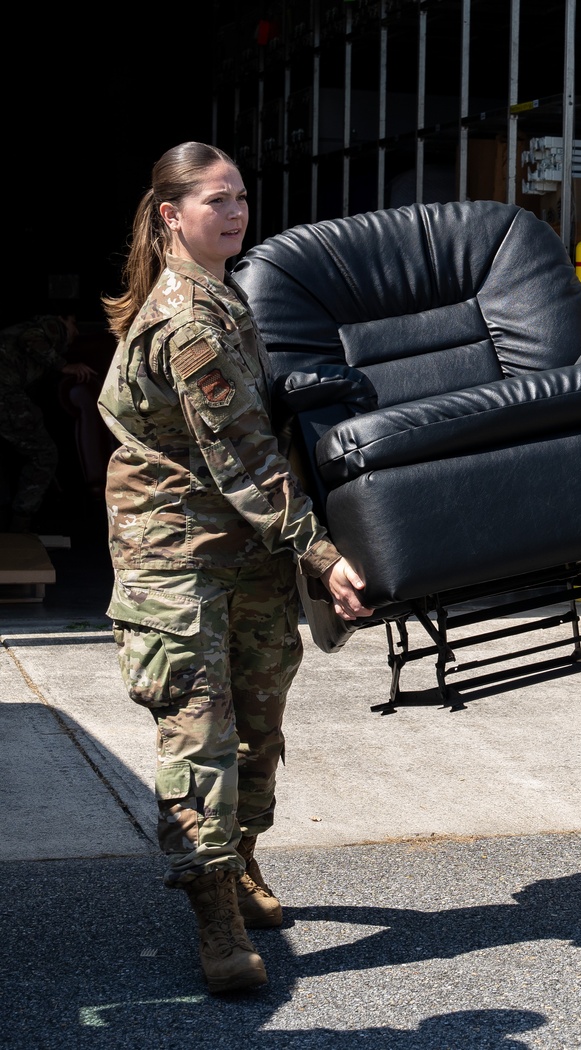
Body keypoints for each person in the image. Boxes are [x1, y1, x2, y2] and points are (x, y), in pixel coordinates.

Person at [99, 142, 372, 994]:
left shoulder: (227, 297)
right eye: (217, 201)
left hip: (244, 547)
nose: (237, 212)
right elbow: (244, 461)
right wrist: (323, 554)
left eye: (243, 198)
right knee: (200, 737)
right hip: (176, 556)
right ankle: (213, 915)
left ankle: (243, 861)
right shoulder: (187, 321)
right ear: (171, 215)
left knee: (260, 722)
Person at [0, 313, 94, 532]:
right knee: (45, 454)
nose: (76, 332)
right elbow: (29, 338)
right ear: (64, 319)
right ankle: (20, 526)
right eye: (74, 324)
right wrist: (64, 366)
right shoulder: (53, 325)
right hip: (4, 392)